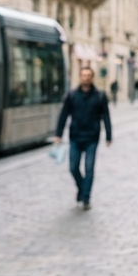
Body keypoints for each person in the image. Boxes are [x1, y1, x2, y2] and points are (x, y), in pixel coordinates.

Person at [55, 66, 112, 210]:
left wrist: (109, 136)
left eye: (88, 75)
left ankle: (86, 198)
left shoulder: (100, 96)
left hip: (92, 138)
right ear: (80, 77)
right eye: (83, 75)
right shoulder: (72, 95)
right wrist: (58, 134)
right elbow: (64, 114)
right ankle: (82, 189)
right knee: (73, 167)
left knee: (89, 169)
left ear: (92, 78)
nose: (85, 78)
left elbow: (106, 116)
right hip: (75, 137)